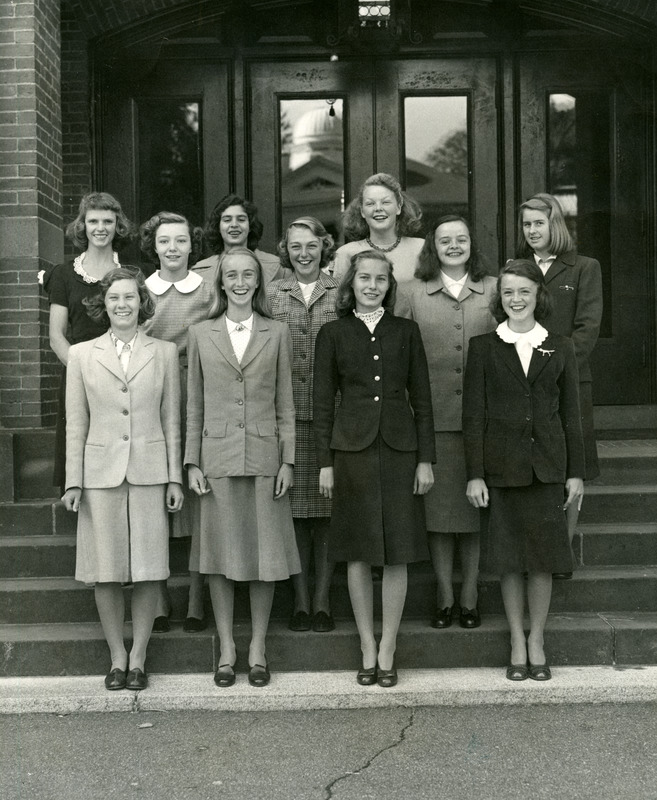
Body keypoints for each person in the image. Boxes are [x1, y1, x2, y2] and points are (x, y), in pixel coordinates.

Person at [313, 250, 435, 688]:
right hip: (351, 451)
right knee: (359, 550)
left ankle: (389, 646)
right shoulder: (333, 333)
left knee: (398, 547)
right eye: (364, 278)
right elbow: (323, 404)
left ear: (389, 285)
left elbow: (422, 399)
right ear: (351, 285)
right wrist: (325, 463)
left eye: (380, 279)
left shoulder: (406, 331)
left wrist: (425, 458)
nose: (371, 286)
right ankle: (366, 644)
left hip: (400, 450)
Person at [61, 267, 183, 691]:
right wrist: (73, 482)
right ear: (103, 305)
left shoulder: (164, 353)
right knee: (106, 570)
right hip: (99, 474)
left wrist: (175, 479)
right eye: (114, 298)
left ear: (142, 302)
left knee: (150, 568)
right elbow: (75, 422)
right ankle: (116, 657)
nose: (122, 305)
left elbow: (172, 420)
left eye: (130, 297)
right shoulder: (81, 354)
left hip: (150, 471)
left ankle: (139, 656)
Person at [463, 259, 585, 682]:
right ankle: (517, 638)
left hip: (547, 468)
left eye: (524, 293)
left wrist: (575, 472)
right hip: (501, 469)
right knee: (510, 560)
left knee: (542, 561)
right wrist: (475, 473)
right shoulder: (484, 347)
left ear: (539, 297)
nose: (516, 300)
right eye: (509, 293)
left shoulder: (560, 345)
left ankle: (538, 639)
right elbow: (473, 415)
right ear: (501, 299)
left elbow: (571, 413)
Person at [185, 248, 300, 688]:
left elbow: (285, 403)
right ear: (220, 282)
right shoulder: (200, 333)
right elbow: (193, 404)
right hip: (215, 459)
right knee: (218, 555)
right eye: (230, 274)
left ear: (258, 282)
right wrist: (191, 461)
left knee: (264, 555)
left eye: (247, 274)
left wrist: (287, 459)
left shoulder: (277, 331)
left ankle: (257, 647)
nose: (239, 281)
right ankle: (228, 648)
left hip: (265, 457)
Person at [396, 215, 496, 630]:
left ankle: (470, 592)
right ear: (431, 248)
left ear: (472, 244)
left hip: (484, 420)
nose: (453, 246)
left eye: (461, 239)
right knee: (438, 513)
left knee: (474, 511)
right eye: (444, 240)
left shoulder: (492, 288)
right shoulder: (411, 292)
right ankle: (444, 592)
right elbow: (398, 350)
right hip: (430, 419)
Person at [516, 193, 603, 574]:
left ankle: (562, 552)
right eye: (527, 224)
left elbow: (587, 327)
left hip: (568, 381)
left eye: (539, 223)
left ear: (556, 225)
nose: (532, 230)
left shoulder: (584, 267)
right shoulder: (517, 268)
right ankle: (530, 551)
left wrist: (557, 370)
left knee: (571, 463)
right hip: (522, 381)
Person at [140, 211, 214, 633]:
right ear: (154, 245)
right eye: (165, 241)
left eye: (181, 241)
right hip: (152, 393)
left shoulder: (206, 291)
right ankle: (160, 598)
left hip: (199, 392)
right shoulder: (141, 290)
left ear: (192, 245)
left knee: (198, 495)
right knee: (156, 495)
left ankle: (196, 599)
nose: (173, 249)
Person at [267, 217, 340, 633]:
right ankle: (299, 601)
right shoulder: (273, 293)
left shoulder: (340, 291)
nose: (304, 254)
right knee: (293, 513)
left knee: (328, 513)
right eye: (296, 247)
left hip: (333, 414)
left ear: (324, 246)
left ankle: (323, 599)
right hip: (286, 416)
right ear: (286, 251)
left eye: (311, 246)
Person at [44, 192, 135, 491]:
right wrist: (86, 369)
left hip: (124, 374)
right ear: (82, 226)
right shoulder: (63, 274)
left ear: (117, 225)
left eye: (108, 221)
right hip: (79, 373)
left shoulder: (131, 274)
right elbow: (56, 335)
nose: (100, 228)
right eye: (93, 220)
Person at [331, 173, 424, 285]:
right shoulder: (345, 254)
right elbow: (338, 299)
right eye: (370, 203)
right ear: (362, 211)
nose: (378, 208)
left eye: (385, 202)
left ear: (399, 207)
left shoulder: (421, 248)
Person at [193, 193, 291, 286]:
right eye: (227, 220)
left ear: (250, 226)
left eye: (241, 219)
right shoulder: (198, 272)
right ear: (218, 227)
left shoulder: (279, 268)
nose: (234, 225)